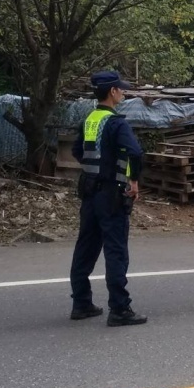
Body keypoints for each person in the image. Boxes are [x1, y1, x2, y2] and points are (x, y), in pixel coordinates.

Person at [69, 71, 147, 326]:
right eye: (121, 89)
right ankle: (120, 309)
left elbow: (77, 151)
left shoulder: (90, 119)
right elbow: (135, 152)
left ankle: (81, 303)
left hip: (89, 192)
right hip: (112, 194)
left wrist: (95, 169)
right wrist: (133, 181)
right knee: (115, 250)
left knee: (86, 248)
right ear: (112, 92)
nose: (123, 92)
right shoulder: (116, 123)